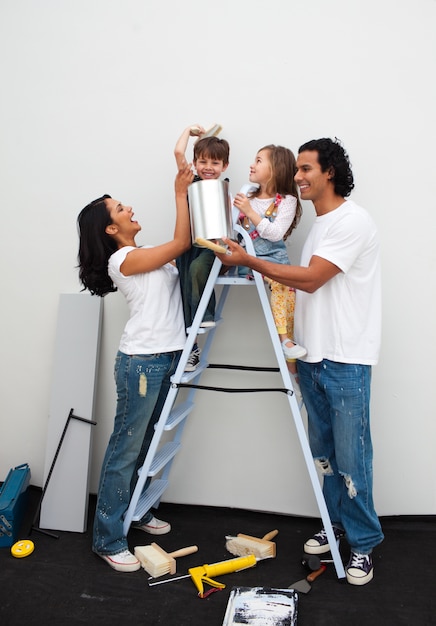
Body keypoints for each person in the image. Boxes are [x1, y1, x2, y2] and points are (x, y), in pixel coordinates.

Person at [215, 138, 384, 586]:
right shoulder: (319, 225)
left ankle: (363, 545)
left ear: (330, 172)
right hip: (313, 358)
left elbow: (310, 281)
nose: (299, 178)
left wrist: (249, 260)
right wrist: (295, 355)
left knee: (353, 458)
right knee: (325, 457)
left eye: (307, 169)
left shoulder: (353, 221)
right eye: (298, 170)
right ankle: (335, 529)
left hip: (346, 360)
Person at [77, 164, 194, 572]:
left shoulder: (147, 258)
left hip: (166, 356)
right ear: (111, 230)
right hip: (141, 364)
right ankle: (107, 539)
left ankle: (136, 511)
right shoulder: (124, 259)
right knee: (125, 450)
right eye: (121, 209)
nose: (130, 209)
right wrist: (180, 191)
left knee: (147, 444)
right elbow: (182, 242)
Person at [234, 144, 306, 375]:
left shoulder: (287, 201)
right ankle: (285, 340)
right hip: (249, 260)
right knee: (280, 283)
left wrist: (249, 210)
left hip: (274, 258)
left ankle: (289, 350)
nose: (251, 165)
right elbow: (233, 230)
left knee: (289, 292)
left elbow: (275, 234)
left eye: (258, 160)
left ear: (275, 169)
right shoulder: (246, 195)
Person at [174, 124, 230, 371]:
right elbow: (178, 153)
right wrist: (189, 131)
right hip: (189, 245)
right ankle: (191, 348)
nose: (208, 167)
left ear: (224, 166)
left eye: (215, 163)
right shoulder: (191, 181)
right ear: (195, 163)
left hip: (211, 247)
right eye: (203, 161)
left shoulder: (223, 188)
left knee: (199, 270)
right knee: (184, 291)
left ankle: (205, 316)